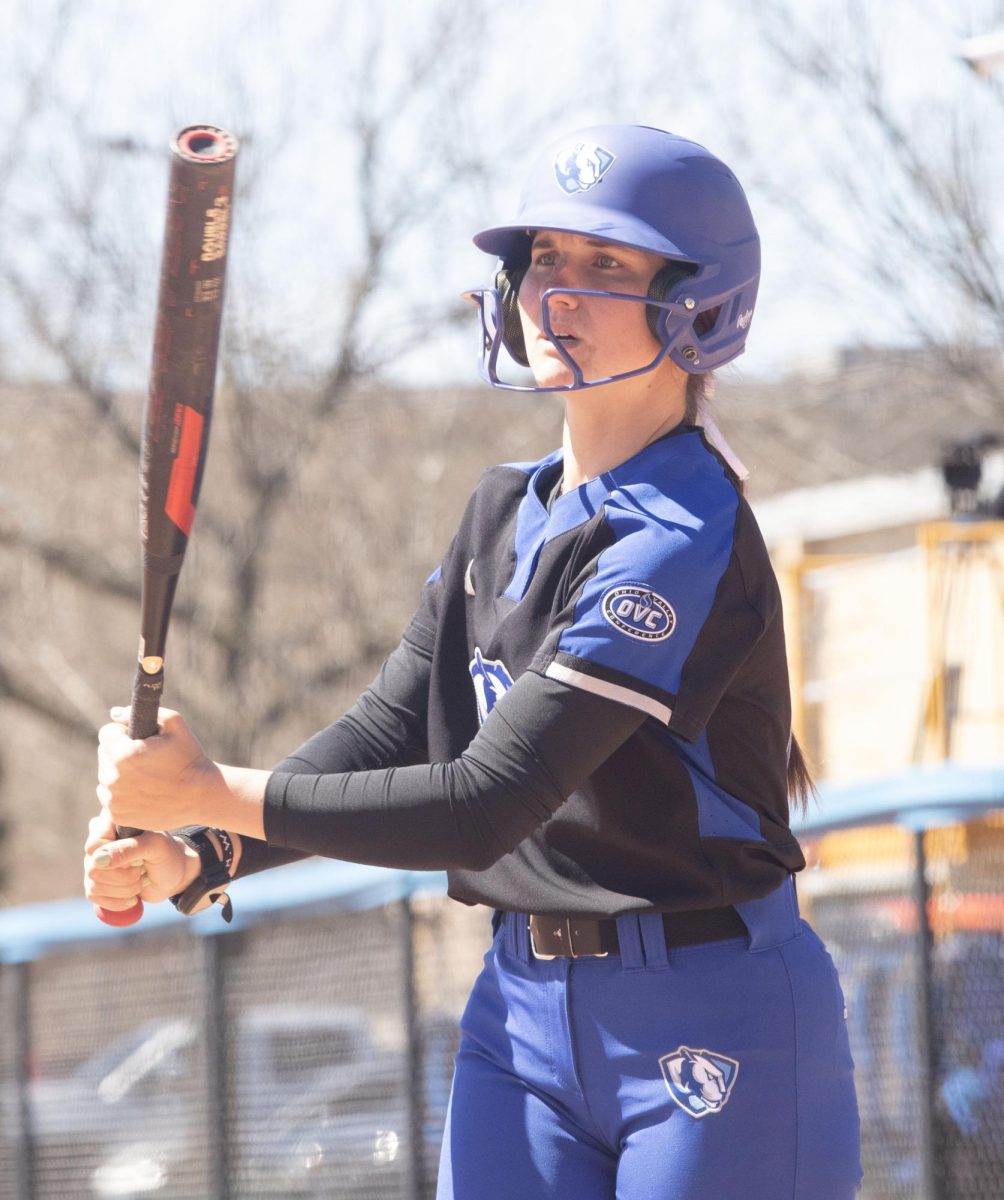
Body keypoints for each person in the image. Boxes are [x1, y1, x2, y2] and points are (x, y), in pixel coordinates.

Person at [86, 124, 862, 1199]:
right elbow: (388, 731)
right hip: (519, 1012)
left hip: (707, 1005)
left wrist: (213, 790)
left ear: (697, 304)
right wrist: (203, 845)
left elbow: (482, 805)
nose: (557, 295)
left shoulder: (679, 533)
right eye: (543, 258)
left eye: (605, 266)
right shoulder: (503, 508)